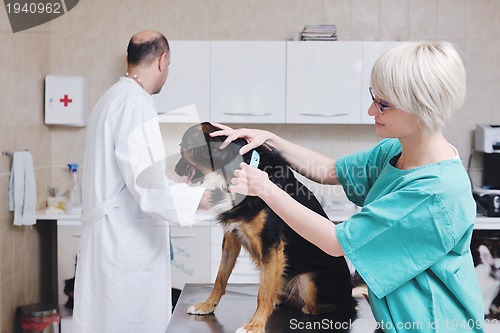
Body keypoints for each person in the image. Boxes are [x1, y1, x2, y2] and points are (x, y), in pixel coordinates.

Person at [212, 41, 485, 332]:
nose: (371, 110)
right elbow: (331, 170)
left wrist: (265, 189)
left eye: (383, 104)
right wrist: (270, 139)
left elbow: (336, 243)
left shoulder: (433, 193)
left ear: (422, 107)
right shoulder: (395, 152)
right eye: (373, 97)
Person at [73, 30, 206, 333]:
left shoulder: (111, 98)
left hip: (112, 239)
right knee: (128, 322)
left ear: (128, 60)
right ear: (162, 61)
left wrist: (170, 175)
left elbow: (136, 172)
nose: (167, 72)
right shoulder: (136, 103)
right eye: (169, 65)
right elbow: (148, 186)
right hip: (125, 246)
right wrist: (201, 198)